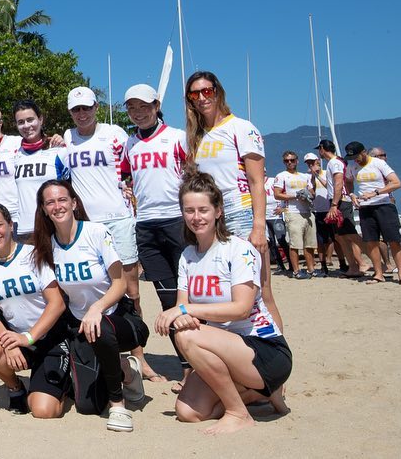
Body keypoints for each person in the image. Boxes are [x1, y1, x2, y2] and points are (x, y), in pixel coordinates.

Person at [155, 172, 291, 435]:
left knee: (186, 336)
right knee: (188, 412)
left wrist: (185, 310)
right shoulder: (188, 256)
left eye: (203, 210)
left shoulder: (238, 249)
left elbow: (241, 308)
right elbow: (183, 310)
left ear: (218, 211)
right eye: (189, 210)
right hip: (224, 350)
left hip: (263, 350)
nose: (196, 217)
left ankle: (238, 413)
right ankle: (257, 394)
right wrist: (182, 313)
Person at [35, 179, 149, 432]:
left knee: (101, 328)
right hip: (81, 326)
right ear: (43, 209)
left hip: (119, 319)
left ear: (74, 203)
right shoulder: (47, 246)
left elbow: (120, 283)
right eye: (50, 202)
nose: (57, 206)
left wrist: (97, 308)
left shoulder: (96, 232)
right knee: (87, 406)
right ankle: (126, 370)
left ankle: (118, 405)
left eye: (62, 199)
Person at [64, 86, 151, 382]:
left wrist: (131, 188)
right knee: (95, 287)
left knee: (131, 290)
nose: (82, 114)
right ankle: (103, 351)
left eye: (86, 107)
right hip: (88, 224)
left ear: (96, 108)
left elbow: (134, 164)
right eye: (76, 109)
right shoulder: (67, 138)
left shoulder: (114, 133)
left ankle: (138, 355)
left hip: (118, 219)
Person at [184, 71, 282, 330]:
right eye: (195, 94)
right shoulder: (196, 137)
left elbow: (257, 181)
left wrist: (258, 226)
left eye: (207, 91)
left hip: (241, 213)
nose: (202, 98)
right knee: (224, 290)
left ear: (218, 92)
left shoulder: (241, 128)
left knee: (261, 294)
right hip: (211, 218)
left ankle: (276, 348)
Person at [0, 202, 70, 417]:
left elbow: (57, 303)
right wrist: (8, 342)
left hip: (50, 338)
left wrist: (29, 337)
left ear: (10, 225)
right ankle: (15, 388)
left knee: (43, 411)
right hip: (17, 338)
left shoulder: (33, 255)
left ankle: (67, 378)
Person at [123, 84, 189, 387]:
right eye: (132, 107)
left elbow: (195, 173)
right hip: (146, 226)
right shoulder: (130, 144)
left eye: (144, 106)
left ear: (157, 105)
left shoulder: (177, 137)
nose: (138, 113)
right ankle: (187, 367)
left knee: (192, 296)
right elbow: (123, 176)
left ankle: (206, 363)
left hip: (178, 222)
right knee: (167, 299)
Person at [344, 141, 401, 284]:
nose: (355, 160)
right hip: (365, 208)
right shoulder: (352, 166)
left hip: (384, 205)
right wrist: (352, 194)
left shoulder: (378, 163)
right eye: (352, 158)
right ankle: (379, 274)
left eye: (356, 156)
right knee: (371, 241)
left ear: (363, 152)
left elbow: (396, 182)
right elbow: (348, 181)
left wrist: (375, 193)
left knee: (394, 240)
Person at [12, 100, 68, 244]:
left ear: (40, 119)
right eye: (21, 122)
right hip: (24, 231)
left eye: (30, 120)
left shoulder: (58, 150)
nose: (26, 126)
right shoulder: (15, 154)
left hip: (53, 228)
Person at [315, 139, 367, 276]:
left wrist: (334, 204)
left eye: (319, 149)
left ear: (322, 148)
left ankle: (367, 261)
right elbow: (332, 184)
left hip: (341, 200)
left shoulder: (335, 162)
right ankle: (353, 267)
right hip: (337, 199)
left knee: (350, 234)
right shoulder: (334, 162)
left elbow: (339, 183)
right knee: (340, 236)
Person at [273, 151, 319, 279]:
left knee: (310, 243)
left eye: (292, 160)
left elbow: (312, 193)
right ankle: (296, 270)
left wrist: (308, 195)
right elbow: (277, 194)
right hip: (292, 212)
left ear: (297, 161)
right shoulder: (281, 176)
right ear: (284, 162)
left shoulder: (305, 176)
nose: (289, 162)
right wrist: (295, 195)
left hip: (307, 212)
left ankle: (311, 269)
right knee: (295, 244)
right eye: (287, 161)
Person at [305, 152, 337, 275]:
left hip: (329, 209)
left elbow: (330, 187)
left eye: (312, 162)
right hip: (317, 211)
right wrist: (313, 177)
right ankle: (323, 263)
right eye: (308, 163)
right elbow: (312, 193)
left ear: (318, 161)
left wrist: (317, 175)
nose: (311, 164)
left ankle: (333, 259)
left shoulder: (327, 173)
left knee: (334, 238)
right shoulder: (307, 177)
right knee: (320, 240)